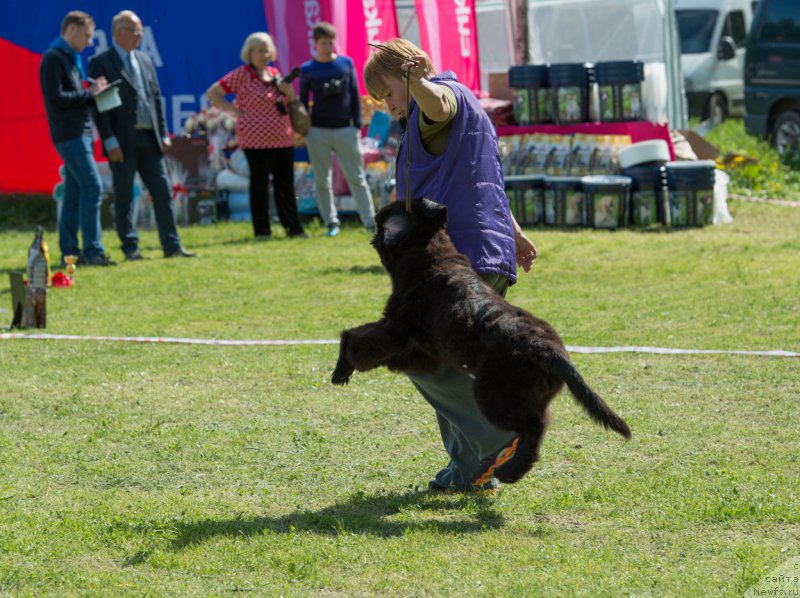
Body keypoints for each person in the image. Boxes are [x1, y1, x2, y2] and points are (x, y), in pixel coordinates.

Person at [363, 39, 539, 492]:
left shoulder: (438, 103)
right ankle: (469, 468)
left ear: (405, 75)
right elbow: (485, 178)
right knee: (453, 359)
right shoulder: (472, 109)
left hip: (460, 253)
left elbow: (436, 104)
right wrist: (514, 232)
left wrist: (414, 80)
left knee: (415, 351)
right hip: (486, 246)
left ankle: (498, 433)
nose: (387, 106)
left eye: (386, 93)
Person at [88, 10, 195, 260]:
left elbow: (155, 99)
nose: (140, 35)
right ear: (120, 32)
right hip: (122, 140)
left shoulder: (144, 60)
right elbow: (100, 107)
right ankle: (130, 247)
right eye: (136, 30)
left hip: (149, 137)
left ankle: (172, 245)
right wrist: (110, 141)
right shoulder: (102, 62)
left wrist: (163, 133)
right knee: (124, 196)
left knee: (162, 191)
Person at [206, 32, 307, 240]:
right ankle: (262, 231)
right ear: (249, 53)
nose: (264, 53)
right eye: (260, 50)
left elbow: (289, 102)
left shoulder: (275, 73)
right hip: (255, 141)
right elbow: (213, 93)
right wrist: (233, 111)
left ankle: (293, 228)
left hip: (282, 138)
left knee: (285, 185)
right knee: (259, 184)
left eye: (267, 49)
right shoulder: (241, 75)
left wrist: (290, 92)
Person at [39, 10, 116, 267]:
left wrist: (95, 92)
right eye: (86, 35)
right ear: (71, 29)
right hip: (69, 135)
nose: (89, 41)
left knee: (73, 195)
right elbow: (56, 99)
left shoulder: (71, 58)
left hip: (79, 133)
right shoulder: (53, 58)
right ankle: (93, 251)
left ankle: (71, 253)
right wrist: (89, 94)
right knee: (93, 188)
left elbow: (76, 96)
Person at [299, 22, 375, 237]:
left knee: (357, 178)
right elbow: (303, 102)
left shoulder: (346, 63)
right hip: (317, 131)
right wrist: (303, 129)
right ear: (315, 44)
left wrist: (356, 125)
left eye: (330, 41)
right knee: (322, 180)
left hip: (345, 129)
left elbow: (354, 93)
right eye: (323, 42)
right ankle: (331, 222)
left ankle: (370, 221)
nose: (327, 46)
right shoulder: (307, 69)